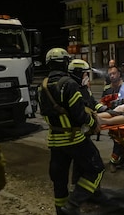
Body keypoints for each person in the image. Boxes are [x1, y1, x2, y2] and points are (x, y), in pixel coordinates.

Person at [37, 48, 106, 215]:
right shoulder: (69, 84)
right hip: (73, 139)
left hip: (54, 140)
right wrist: (93, 122)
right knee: (96, 168)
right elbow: (79, 113)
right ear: (65, 63)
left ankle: (61, 211)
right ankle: (74, 204)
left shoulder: (42, 86)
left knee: (59, 182)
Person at [67, 59, 108, 190]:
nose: (87, 77)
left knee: (81, 163)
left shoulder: (84, 88)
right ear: (78, 74)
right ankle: (84, 191)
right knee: (92, 163)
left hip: (84, 132)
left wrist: (103, 108)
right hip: (78, 132)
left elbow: (92, 103)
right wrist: (94, 123)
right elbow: (79, 113)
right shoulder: (72, 89)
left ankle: (79, 186)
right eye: (85, 74)